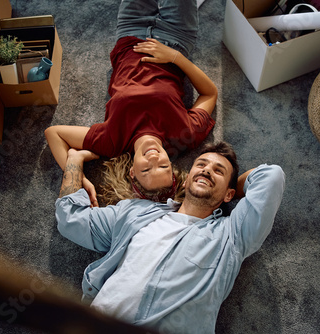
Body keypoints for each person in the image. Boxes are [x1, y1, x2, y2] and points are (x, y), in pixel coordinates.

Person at [55, 141, 286, 333]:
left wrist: (224, 188)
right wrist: (75, 160)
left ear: (230, 194)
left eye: (218, 170)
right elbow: (70, 218)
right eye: (201, 165)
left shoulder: (232, 236)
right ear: (186, 180)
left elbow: (271, 177)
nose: (206, 170)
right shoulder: (134, 212)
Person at [44, 0, 217, 207]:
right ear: (171, 165)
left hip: (130, 32)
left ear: (132, 172)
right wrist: (175, 56)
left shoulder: (112, 143)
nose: (154, 159)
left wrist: (79, 178)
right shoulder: (184, 134)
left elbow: (54, 133)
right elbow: (210, 94)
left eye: (146, 170)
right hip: (176, 38)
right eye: (163, 166)